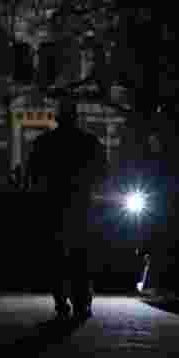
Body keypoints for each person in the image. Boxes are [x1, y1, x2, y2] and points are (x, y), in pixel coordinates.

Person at [27, 95, 106, 321]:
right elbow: (103, 172)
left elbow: (33, 173)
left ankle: (61, 301)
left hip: (54, 205)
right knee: (81, 256)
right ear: (76, 118)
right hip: (80, 205)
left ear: (58, 118)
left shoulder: (44, 143)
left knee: (56, 256)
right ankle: (81, 301)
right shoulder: (88, 142)